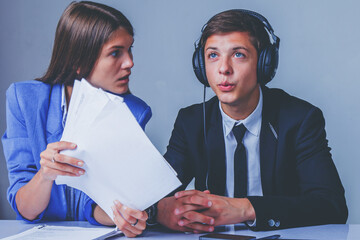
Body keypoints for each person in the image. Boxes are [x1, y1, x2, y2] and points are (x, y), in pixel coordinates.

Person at [155, 9, 348, 232]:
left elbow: (332, 206)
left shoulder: (300, 119)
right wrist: (160, 212)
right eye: (213, 55)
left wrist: (246, 208)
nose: (223, 69)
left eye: (238, 54)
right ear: (201, 66)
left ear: (264, 64)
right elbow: (153, 195)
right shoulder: (191, 122)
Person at [2, 1, 150, 238]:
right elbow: (25, 209)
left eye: (129, 49)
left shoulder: (134, 112)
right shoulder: (23, 99)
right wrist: (45, 175)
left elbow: (98, 204)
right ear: (78, 62)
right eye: (115, 53)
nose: (129, 62)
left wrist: (121, 215)